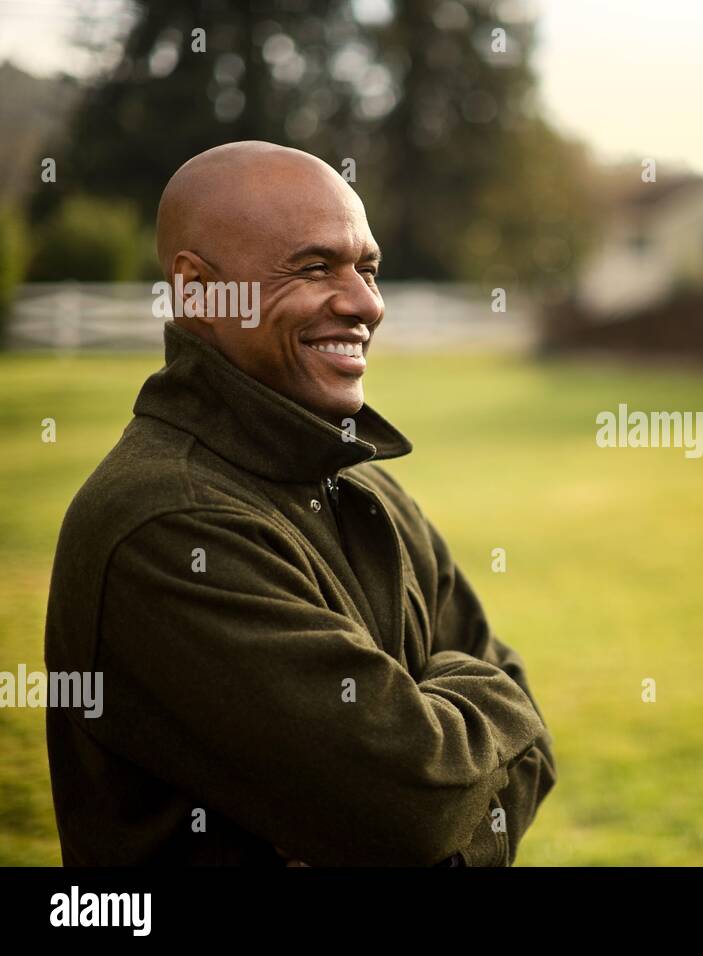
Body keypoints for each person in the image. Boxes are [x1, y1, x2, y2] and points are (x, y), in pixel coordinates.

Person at [43, 141, 556, 866]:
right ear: (196, 289)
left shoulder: (366, 482)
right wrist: (479, 730)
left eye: (368, 269)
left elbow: (528, 746)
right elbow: (412, 809)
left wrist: (455, 754)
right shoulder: (168, 524)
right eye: (315, 267)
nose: (366, 304)